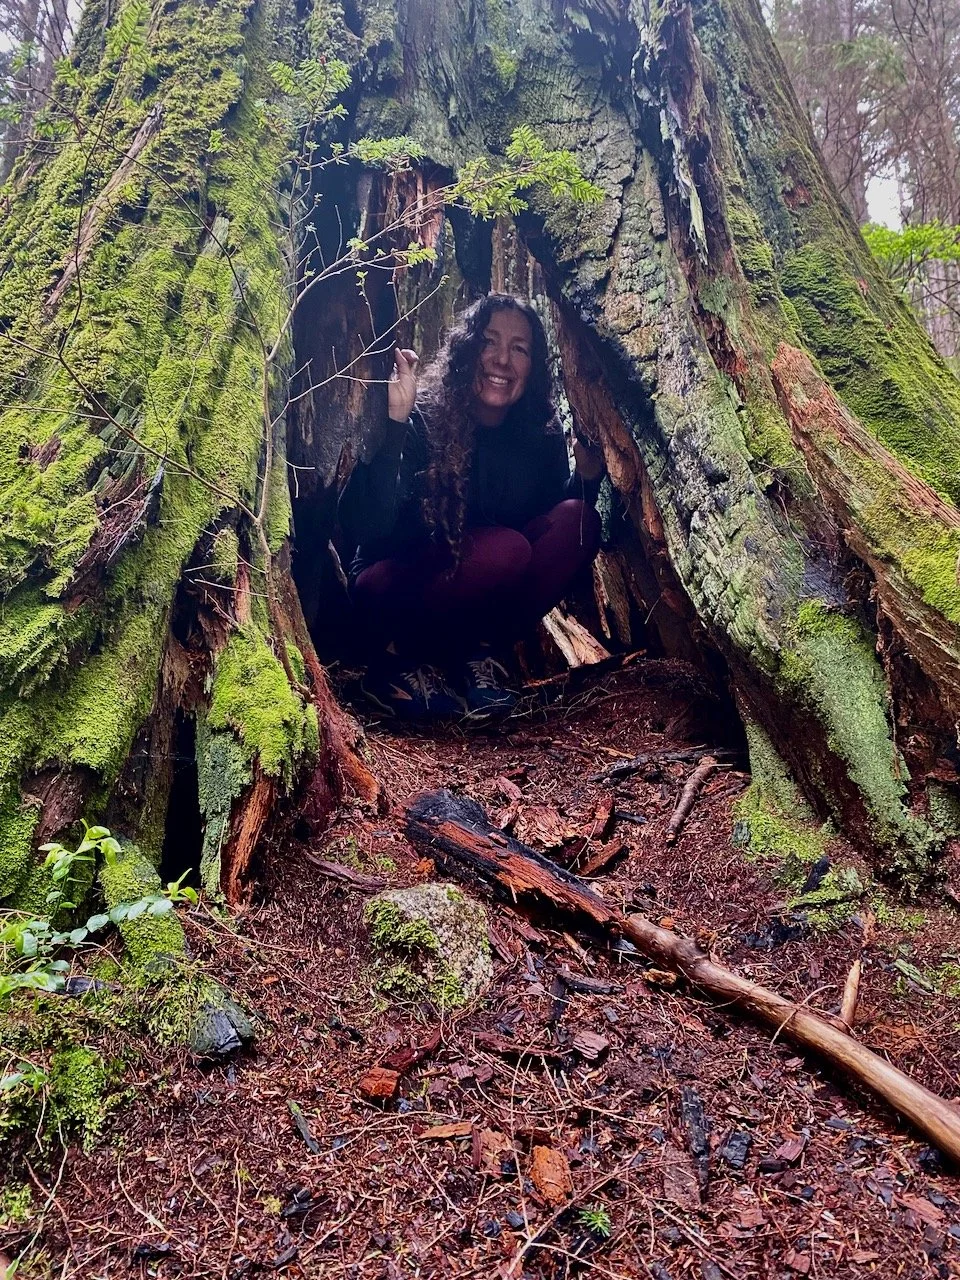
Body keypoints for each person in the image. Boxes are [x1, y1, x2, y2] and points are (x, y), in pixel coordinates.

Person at [338, 293, 603, 720]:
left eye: (519, 349)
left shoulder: (539, 437)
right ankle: (394, 665)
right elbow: (370, 527)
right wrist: (394, 424)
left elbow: (551, 522)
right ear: (466, 348)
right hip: (389, 591)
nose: (502, 360)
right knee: (505, 550)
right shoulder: (423, 417)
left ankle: (472, 658)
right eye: (489, 341)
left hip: (469, 599)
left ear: (533, 366)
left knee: (577, 523)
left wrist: (589, 477)